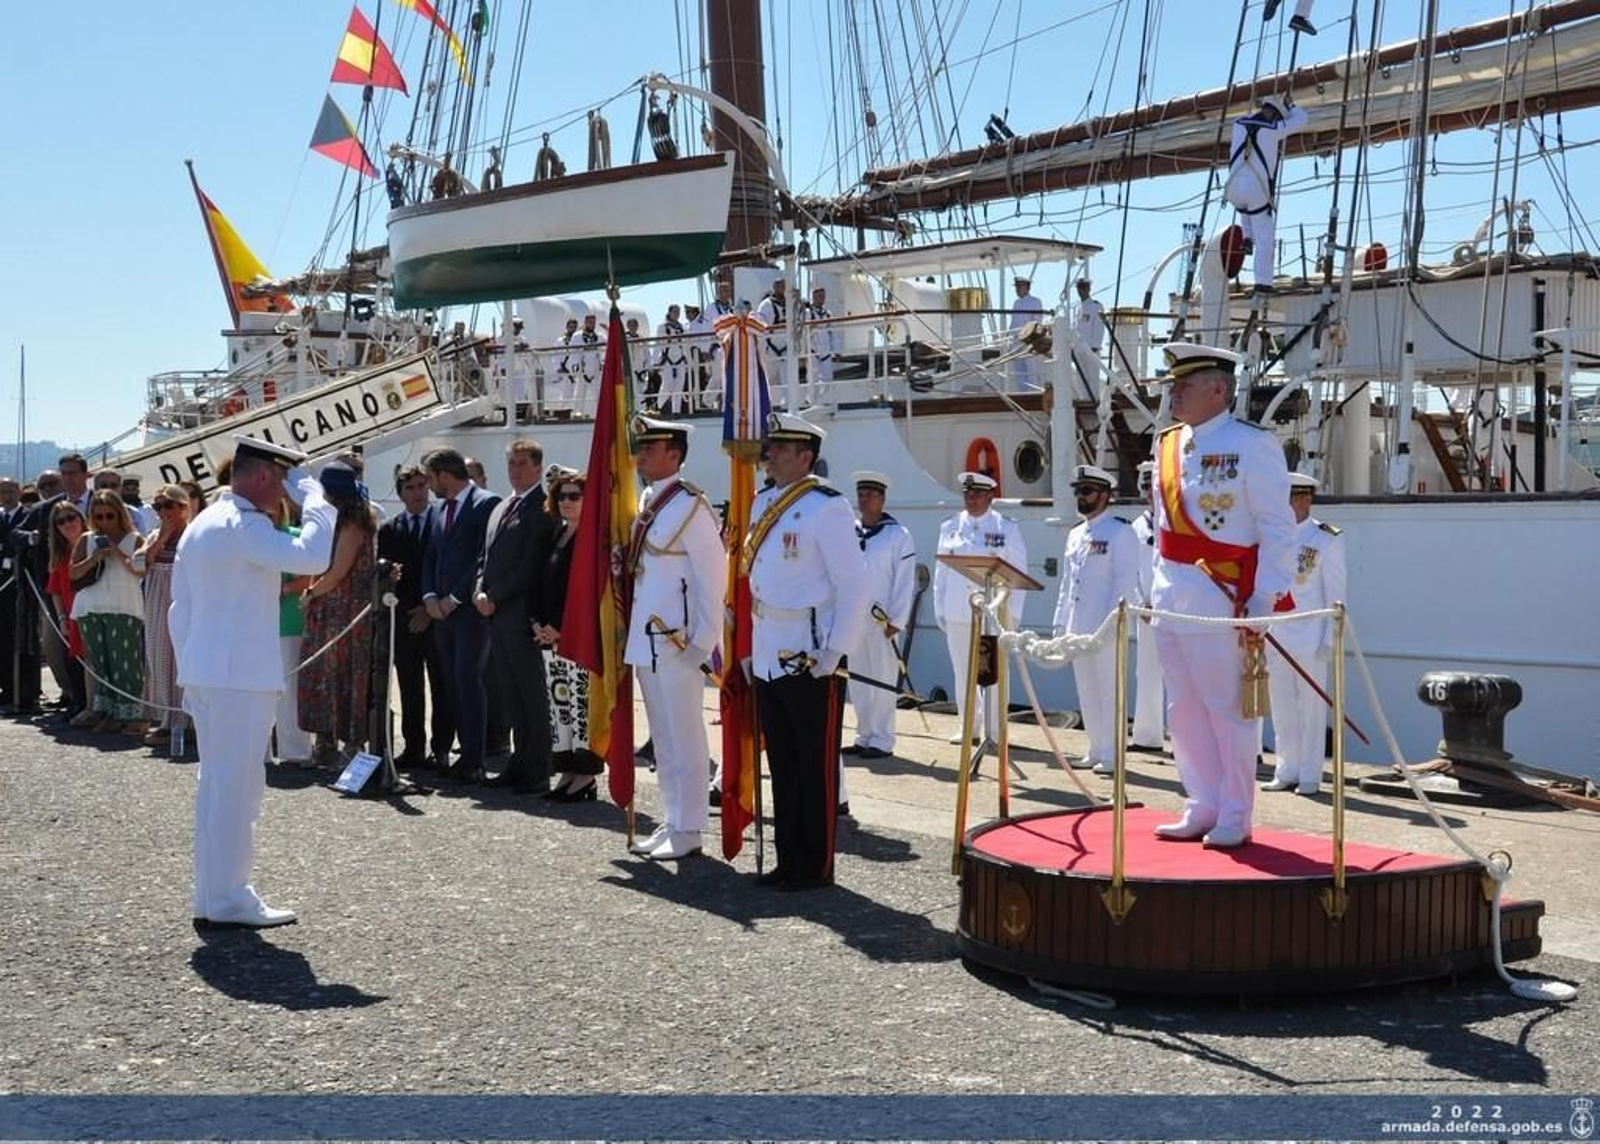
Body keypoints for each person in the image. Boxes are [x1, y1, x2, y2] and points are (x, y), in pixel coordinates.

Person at [171, 436, 337, 928]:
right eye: (283, 479)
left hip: (210, 672)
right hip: (238, 676)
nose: (286, 490)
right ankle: (229, 899)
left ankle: (212, 895)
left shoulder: (203, 522)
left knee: (217, 786)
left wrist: (190, 669)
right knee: (238, 789)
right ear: (264, 475)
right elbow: (312, 557)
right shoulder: (243, 524)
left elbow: (180, 608)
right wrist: (319, 502)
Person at [1149, 343, 1297, 849]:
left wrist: (1265, 596)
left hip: (1220, 596)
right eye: (1172, 386)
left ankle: (1235, 811)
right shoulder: (1168, 443)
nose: (1173, 394)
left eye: (1184, 386)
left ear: (1217, 389)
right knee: (1183, 709)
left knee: (1228, 709)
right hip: (1170, 594)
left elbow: (1277, 527)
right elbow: (1161, 526)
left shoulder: (1253, 445)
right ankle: (1201, 803)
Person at [744, 411, 868, 890]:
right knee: (782, 760)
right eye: (771, 447)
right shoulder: (763, 503)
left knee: (814, 763)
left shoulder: (826, 508)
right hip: (769, 647)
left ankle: (815, 865)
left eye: (780, 448)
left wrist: (834, 651)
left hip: (809, 651)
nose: (769, 454)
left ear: (805, 456)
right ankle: (787, 858)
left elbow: (854, 586)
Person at [623, 416, 725, 860]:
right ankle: (673, 819)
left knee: (685, 736)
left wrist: (703, 641)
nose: (641, 455)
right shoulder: (649, 498)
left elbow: (713, 576)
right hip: (647, 636)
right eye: (641, 447)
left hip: (677, 640)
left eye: (650, 448)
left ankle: (690, 827)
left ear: (674, 454)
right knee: (662, 738)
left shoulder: (690, 505)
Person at [474, 439, 555, 794]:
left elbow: (529, 566)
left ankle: (538, 768)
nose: (516, 470)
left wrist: (493, 596)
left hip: (521, 615)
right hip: (495, 614)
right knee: (511, 693)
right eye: (511, 463)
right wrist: (478, 590)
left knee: (531, 694)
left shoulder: (542, 508)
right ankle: (519, 763)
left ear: (538, 467)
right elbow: (485, 556)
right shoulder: (502, 507)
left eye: (522, 463)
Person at [1051, 465, 1140, 775]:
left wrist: (1112, 626)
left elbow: (1125, 585)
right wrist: (1060, 624)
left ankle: (1113, 754)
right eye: (1078, 491)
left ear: (1104, 495)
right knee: (1087, 690)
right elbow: (1067, 585)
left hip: (1106, 627)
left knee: (1109, 691)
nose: (1081, 497)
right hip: (1078, 626)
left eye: (1086, 491)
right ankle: (1096, 748)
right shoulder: (1076, 534)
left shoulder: (1120, 532)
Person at [1263, 473, 1347, 795]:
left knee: (1311, 709)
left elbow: (1336, 595)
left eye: (1288, 499)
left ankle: (1311, 774)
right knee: (1282, 706)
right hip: (1277, 634)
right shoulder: (1272, 537)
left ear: (1304, 499)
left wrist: (1329, 640)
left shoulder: (1326, 539)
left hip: (1310, 636)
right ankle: (1287, 769)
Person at [421, 448, 501, 784]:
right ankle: (462, 755)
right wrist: (429, 596)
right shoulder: (440, 509)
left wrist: (453, 598)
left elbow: (484, 556)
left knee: (468, 680)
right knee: (452, 683)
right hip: (441, 614)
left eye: (430, 478)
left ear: (444, 475)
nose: (428, 485)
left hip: (469, 613)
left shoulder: (486, 503)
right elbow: (431, 555)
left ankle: (474, 759)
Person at [932, 471, 1028, 748]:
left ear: (990, 496)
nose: (971, 499)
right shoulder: (950, 526)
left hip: (993, 614)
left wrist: (1013, 615)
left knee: (994, 673)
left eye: (977, 494)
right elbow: (941, 572)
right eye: (967, 494)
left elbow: (1018, 574)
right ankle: (969, 727)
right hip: (958, 610)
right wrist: (940, 608)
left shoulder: (1006, 528)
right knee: (963, 671)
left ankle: (995, 731)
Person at [296, 462, 376, 766]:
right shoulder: (336, 518)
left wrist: (311, 593)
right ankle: (325, 743)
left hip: (346, 610)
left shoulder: (352, 522)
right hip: (330, 609)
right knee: (323, 674)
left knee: (345, 675)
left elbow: (339, 570)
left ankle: (351, 745)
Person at [534, 468, 600, 798]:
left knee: (580, 706)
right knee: (559, 706)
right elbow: (541, 581)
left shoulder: (591, 541)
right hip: (549, 636)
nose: (566, 502)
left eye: (575, 496)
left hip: (578, 636)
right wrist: (537, 622)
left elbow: (585, 592)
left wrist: (561, 626)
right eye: (561, 496)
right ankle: (567, 770)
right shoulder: (556, 533)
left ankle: (586, 775)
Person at [377, 466, 447, 770]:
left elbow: (447, 568)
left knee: (442, 686)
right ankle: (414, 747)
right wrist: (388, 577)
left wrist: (428, 609)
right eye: (410, 488)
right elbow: (383, 575)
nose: (417, 493)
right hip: (404, 620)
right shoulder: (389, 529)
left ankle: (441, 749)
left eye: (421, 486)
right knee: (409, 686)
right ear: (400, 493)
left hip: (437, 616)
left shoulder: (442, 522)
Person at [844, 471, 915, 762]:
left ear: (882, 499)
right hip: (854, 617)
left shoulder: (898, 535)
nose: (865, 500)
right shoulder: (849, 531)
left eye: (871, 495)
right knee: (858, 680)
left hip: (882, 620)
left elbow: (905, 580)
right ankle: (864, 735)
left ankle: (882, 739)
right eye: (861, 494)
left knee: (882, 679)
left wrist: (897, 619)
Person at [69, 491, 148, 736]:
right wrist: (93, 559)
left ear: (120, 514)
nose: (104, 521)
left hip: (124, 606)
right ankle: (108, 712)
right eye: (99, 516)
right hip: (91, 605)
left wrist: (118, 552)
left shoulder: (135, 539)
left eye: (110, 516)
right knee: (100, 662)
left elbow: (141, 571)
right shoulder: (86, 539)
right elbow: (72, 573)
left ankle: (132, 713)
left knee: (125, 661)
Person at [1224, 94, 1309, 291]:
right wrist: (1291, 105)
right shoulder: (1274, 128)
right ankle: (1263, 283)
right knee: (1265, 239)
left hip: (1233, 188)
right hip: (1256, 189)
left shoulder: (1238, 124)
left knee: (1245, 206)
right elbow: (1302, 119)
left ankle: (1247, 238)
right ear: (1274, 115)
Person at [131, 485, 191, 750]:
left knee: (183, 657)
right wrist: (162, 538)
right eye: (158, 506)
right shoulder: (155, 534)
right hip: (158, 600)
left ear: (183, 507)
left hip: (184, 598)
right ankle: (168, 718)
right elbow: (138, 565)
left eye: (168, 505)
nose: (162, 511)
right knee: (159, 656)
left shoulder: (193, 534)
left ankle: (188, 720)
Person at [273, 499, 316, 766]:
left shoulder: (295, 537)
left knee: (289, 690)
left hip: (289, 621)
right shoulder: (252, 539)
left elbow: (309, 578)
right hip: (257, 624)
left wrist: (283, 589)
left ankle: (296, 750)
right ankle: (261, 749)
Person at [1128, 462, 1167, 752]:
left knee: (1180, 677)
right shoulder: (1135, 528)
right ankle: (1147, 736)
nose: (1149, 495)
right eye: (1145, 489)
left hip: (1175, 609)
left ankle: (1184, 739)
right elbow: (1130, 572)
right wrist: (1138, 602)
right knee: (1147, 673)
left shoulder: (1176, 523)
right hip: (1146, 610)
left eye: (1153, 488)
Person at [44, 502, 88, 718]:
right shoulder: (59, 555)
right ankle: (79, 704)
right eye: (61, 521)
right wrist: (62, 618)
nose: (67, 524)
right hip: (71, 616)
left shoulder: (92, 545)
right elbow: (55, 591)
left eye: (71, 518)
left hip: (93, 612)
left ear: (81, 518)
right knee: (72, 663)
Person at [1008, 276, 1045, 390]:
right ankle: (1022, 393)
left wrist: (1032, 340)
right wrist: (1010, 338)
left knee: (1031, 369)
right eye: (1017, 287)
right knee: (1019, 372)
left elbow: (1037, 322)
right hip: (1016, 341)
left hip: (1029, 341)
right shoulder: (1016, 303)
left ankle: (1033, 393)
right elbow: (1014, 323)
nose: (1017, 289)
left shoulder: (1035, 302)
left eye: (1020, 286)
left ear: (1027, 287)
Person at [1071, 277, 1106, 397]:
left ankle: (1093, 399)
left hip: (1091, 347)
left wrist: (1096, 345)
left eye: (1084, 287)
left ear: (1089, 289)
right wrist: (1072, 346)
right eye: (1079, 288)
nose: (1081, 290)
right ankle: (1084, 399)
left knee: (1092, 376)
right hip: (1079, 347)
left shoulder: (1095, 306)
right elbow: (1076, 328)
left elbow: (1099, 327)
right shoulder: (1077, 308)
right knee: (1080, 376)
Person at [654, 305, 691, 415]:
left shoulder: (682, 328)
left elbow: (686, 345)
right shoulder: (662, 327)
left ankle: (676, 411)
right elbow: (657, 344)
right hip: (667, 359)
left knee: (679, 387)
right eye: (674, 311)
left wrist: (689, 361)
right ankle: (659, 407)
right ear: (669, 312)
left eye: (678, 312)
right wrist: (655, 362)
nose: (676, 314)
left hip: (680, 359)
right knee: (667, 385)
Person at [805, 286, 839, 401]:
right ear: (814, 297)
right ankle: (812, 400)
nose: (822, 298)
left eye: (823, 296)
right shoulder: (808, 313)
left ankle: (824, 399)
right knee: (812, 377)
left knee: (828, 378)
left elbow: (833, 333)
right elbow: (803, 332)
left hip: (826, 350)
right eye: (819, 296)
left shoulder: (828, 314)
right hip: (813, 350)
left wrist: (836, 350)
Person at [755, 278, 789, 387]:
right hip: (771, 347)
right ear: (774, 287)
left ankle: (788, 398)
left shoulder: (790, 303)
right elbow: (760, 322)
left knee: (787, 379)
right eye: (779, 286)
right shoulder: (766, 304)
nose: (781, 288)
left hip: (787, 347)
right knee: (769, 379)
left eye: (783, 286)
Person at [575, 312, 606, 417]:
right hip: (582, 370)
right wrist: (574, 367)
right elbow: (572, 353)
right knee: (579, 394)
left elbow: (609, 345)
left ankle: (599, 415)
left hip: (595, 371)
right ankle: (577, 415)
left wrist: (607, 329)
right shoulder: (577, 336)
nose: (591, 324)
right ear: (585, 322)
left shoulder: (600, 336)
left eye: (593, 322)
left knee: (598, 395)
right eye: (589, 322)